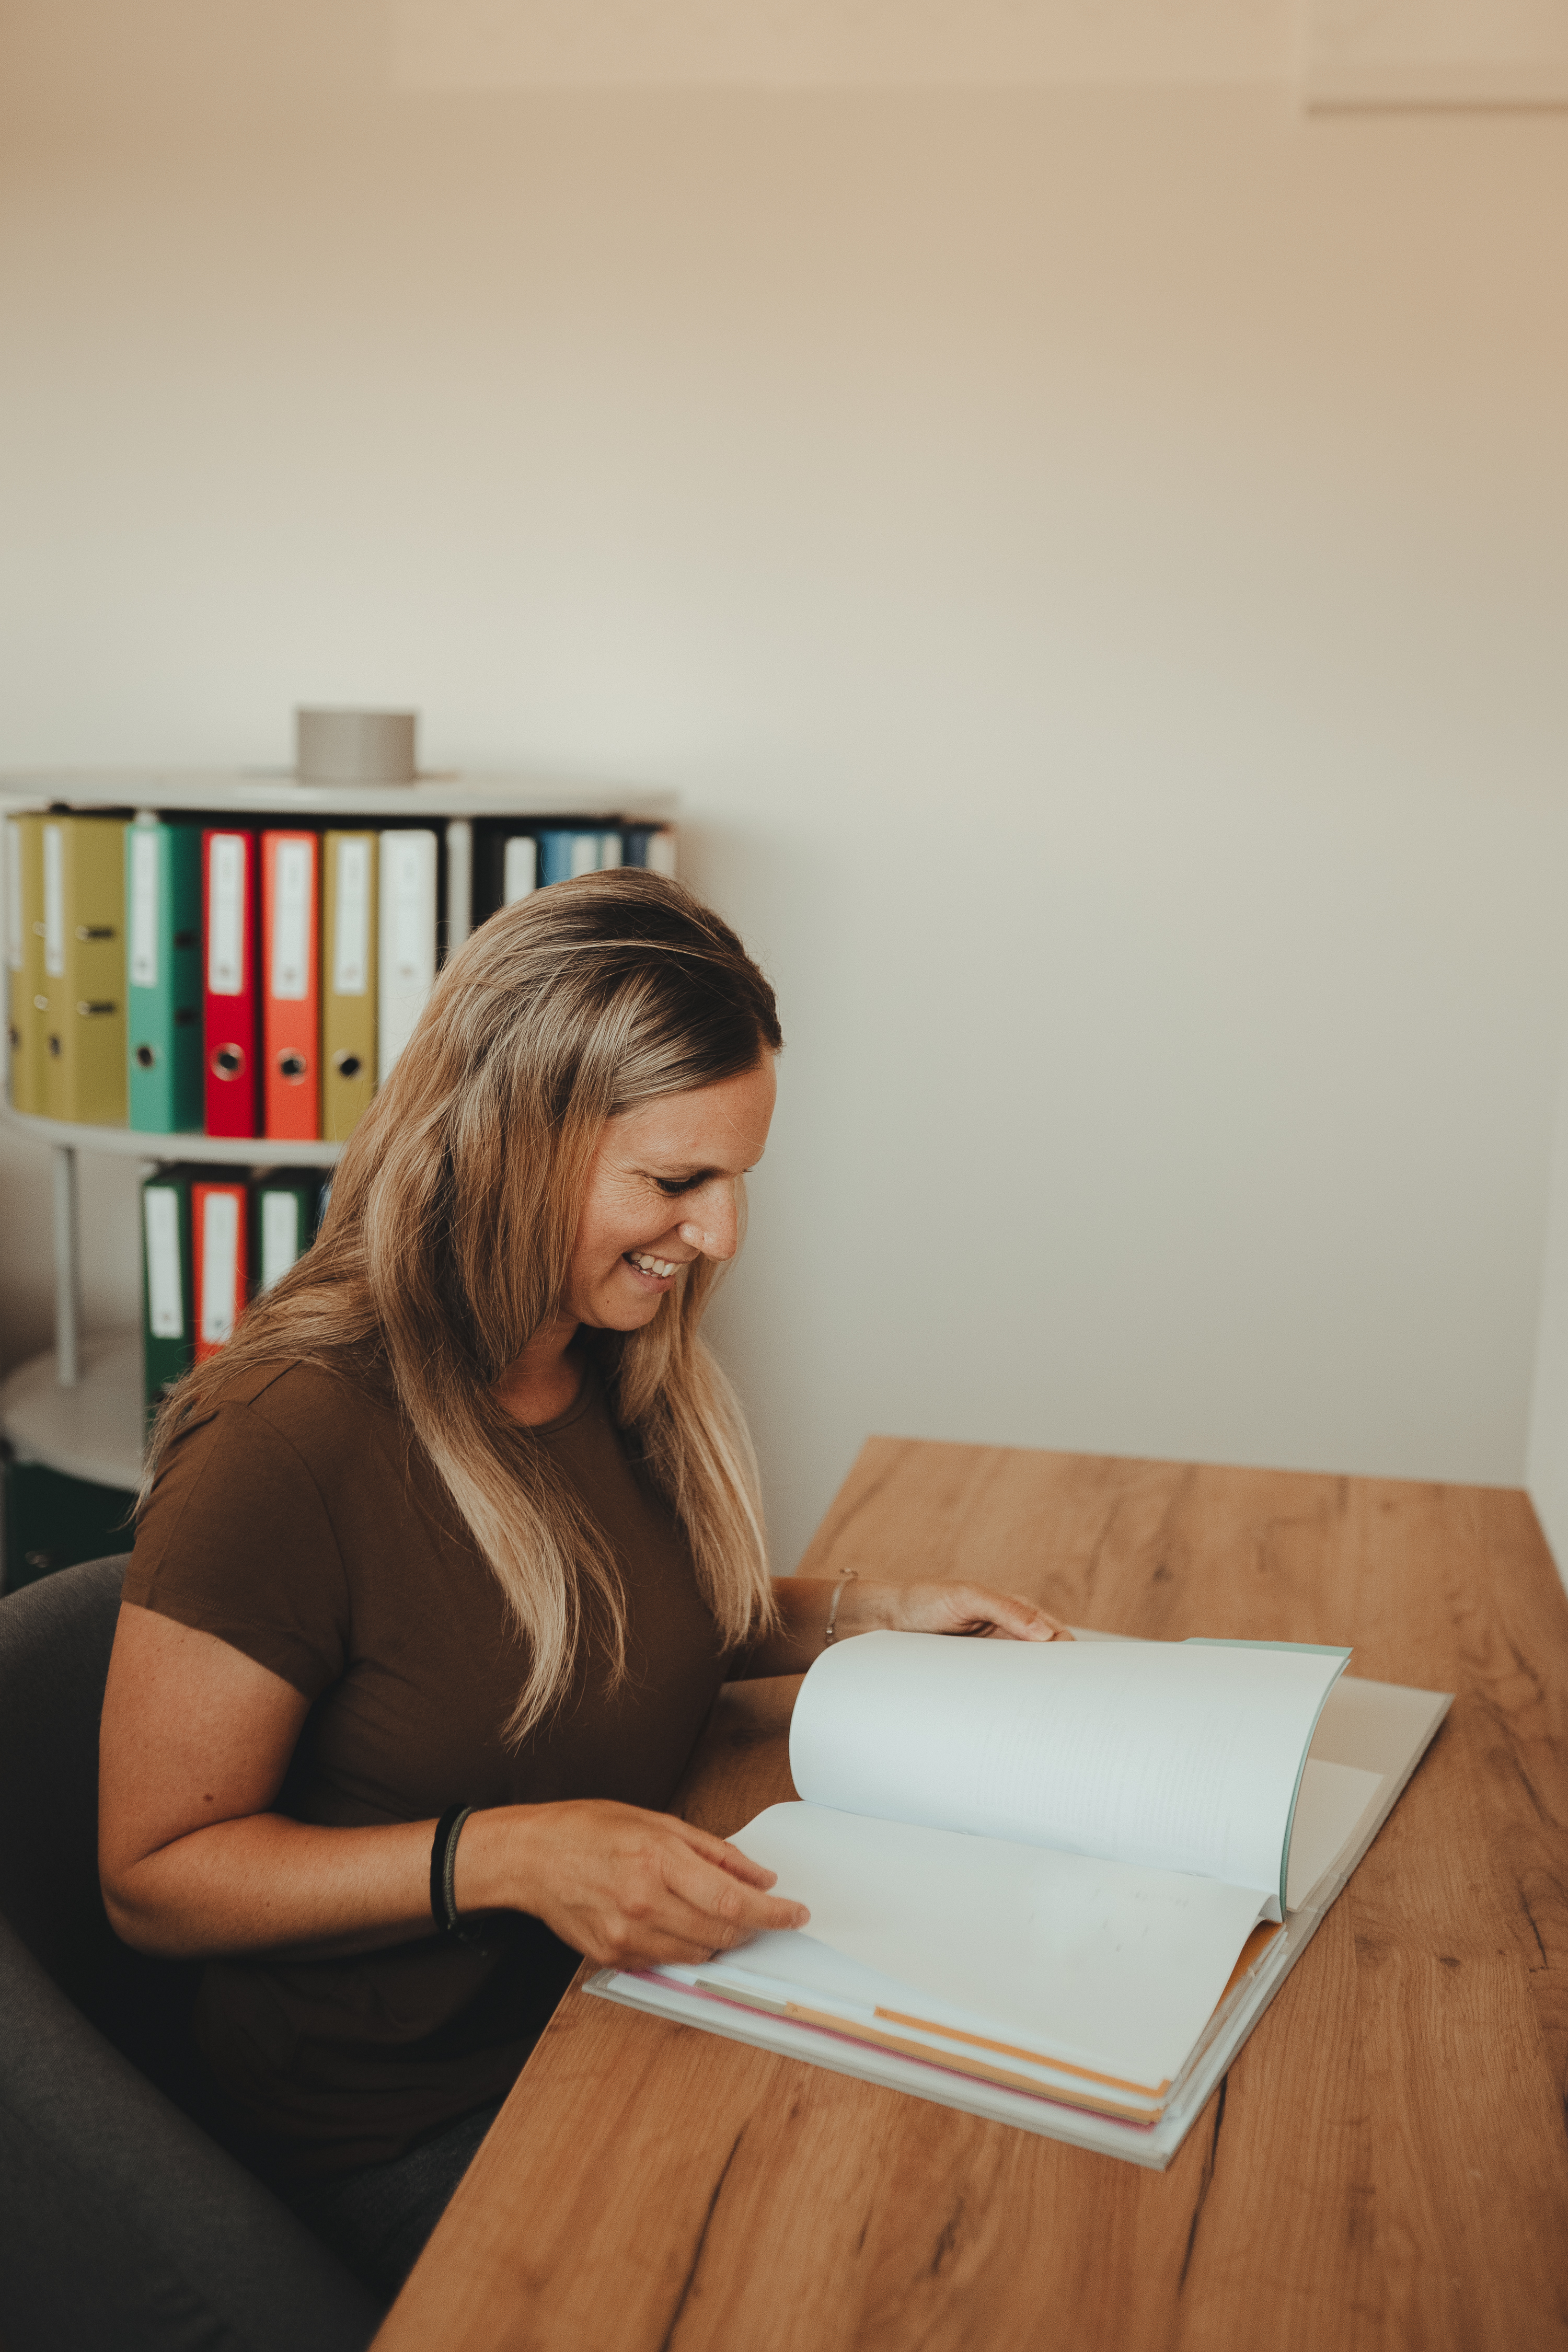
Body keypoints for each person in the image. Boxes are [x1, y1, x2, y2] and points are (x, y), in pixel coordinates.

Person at [98, 869, 1066, 2299]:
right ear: (509, 1142)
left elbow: (617, 1617)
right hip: (399, 2119)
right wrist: (511, 1854)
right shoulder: (288, 1440)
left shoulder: (603, 1357)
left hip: (619, 2002)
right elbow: (153, 1881)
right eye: (677, 1181)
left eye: (736, 1178)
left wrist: (867, 1609)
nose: (721, 1234)